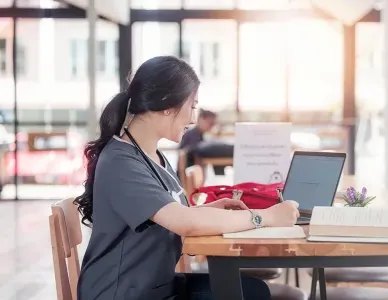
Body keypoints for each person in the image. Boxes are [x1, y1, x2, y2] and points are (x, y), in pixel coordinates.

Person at [74, 56, 299, 300]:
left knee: (253, 290)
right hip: (122, 293)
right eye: (192, 107)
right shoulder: (121, 162)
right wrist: (266, 217)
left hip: (153, 286)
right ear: (166, 104)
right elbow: (184, 223)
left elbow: (175, 214)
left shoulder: (151, 155)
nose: (193, 119)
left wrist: (209, 210)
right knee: (247, 295)